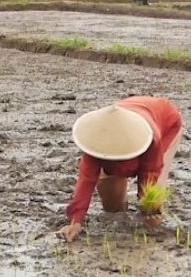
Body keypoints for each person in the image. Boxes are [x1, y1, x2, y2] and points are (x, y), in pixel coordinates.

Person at [59, 96, 182, 242]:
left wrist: (147, 208)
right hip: (120, 119)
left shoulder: (150, 140)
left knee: (152, 206)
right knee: (112, 206)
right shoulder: (96, 144)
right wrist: (75, 220)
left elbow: (150, 173)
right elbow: (86, 180)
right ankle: (122, 215)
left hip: (165, 123)